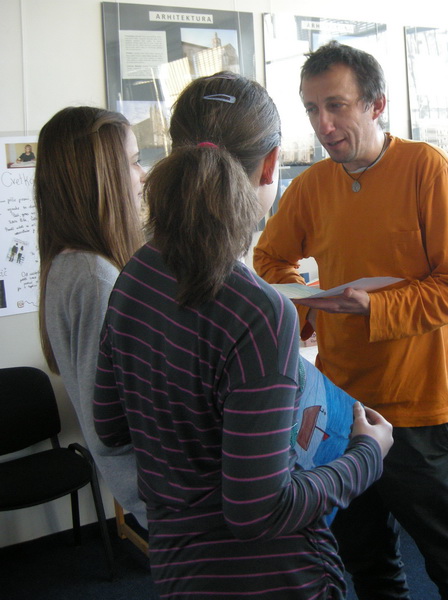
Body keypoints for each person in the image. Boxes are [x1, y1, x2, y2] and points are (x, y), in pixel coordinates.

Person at [93, 72, 393, 599]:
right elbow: (258, 513)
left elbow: (111, 426)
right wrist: (367, 453)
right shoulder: (258, 311)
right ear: (271, 164)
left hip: (180, 572)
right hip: (273, 579)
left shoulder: (133, 276)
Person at [253, 41, 448, 599]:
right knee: (368, 566)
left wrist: (375, 308)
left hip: (420, 408)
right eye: (312, 109)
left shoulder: (427, 169)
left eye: (336, 106)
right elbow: (269, 261)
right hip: (344, 409)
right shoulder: (312, 185)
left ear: (376, 104)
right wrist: (312, 304)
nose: (323, 124)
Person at [35, 106, 147, 527]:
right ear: (102, 177)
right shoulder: (94, 276)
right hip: (154, 488)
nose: (142, 175)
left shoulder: (74, 264)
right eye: (133, 162)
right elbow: (110, 427)